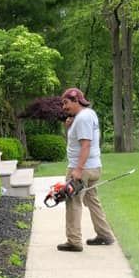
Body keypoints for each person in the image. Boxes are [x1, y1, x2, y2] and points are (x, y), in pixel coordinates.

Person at [56, 87, 114, 252]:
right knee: (92, 201)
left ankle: (74, 241)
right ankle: (105, 234)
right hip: (94, 167)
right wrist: (68, 128)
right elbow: (79, 140)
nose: (64, 107)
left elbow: (85, 144)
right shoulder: (89, 115)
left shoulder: (81, 119)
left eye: (66, 103)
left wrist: (78, 169)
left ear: (76, 100)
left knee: (73, 202)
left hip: (82, 169)